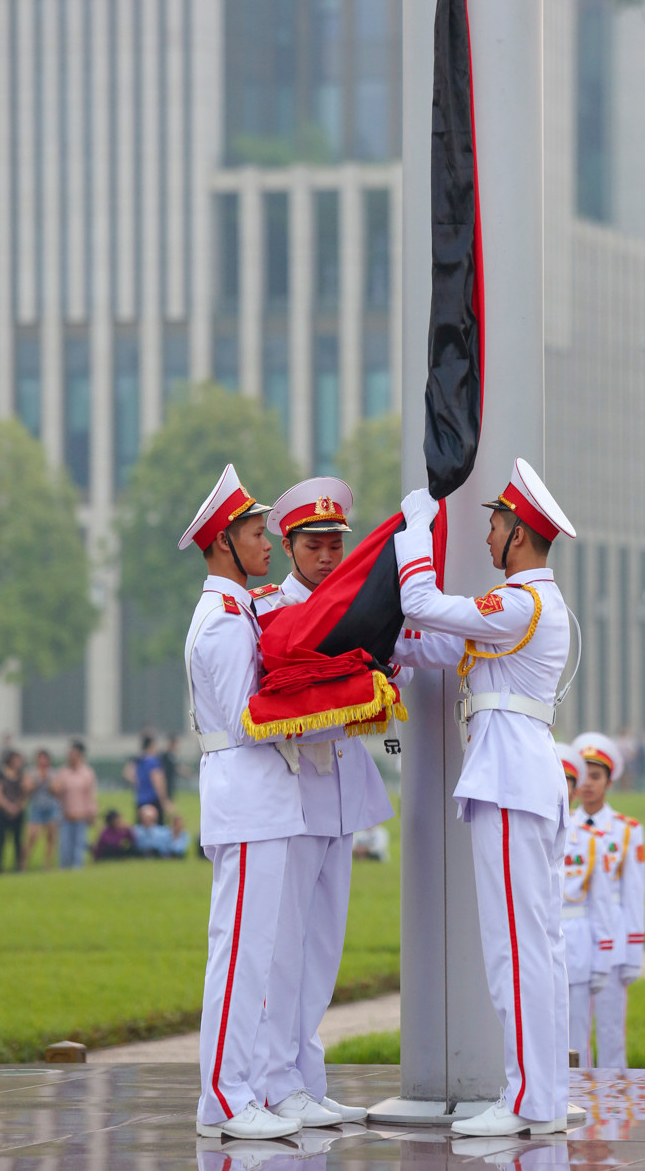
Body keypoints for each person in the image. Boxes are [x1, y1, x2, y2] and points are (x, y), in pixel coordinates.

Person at [391, 459, 577, 1137]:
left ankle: (529, 1098)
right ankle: (544, 1092)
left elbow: (424, 604)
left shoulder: (521, 601)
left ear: (518, 535)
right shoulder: (522, 609)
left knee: (515, 949)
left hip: (508, 781)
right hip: (520, 779)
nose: (490, 534)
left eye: (496, 523)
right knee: (536, 947)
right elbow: (439, 638)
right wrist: (395, 645)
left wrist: (414, 536)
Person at [249, 478, 396, 1127]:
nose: (329, 555)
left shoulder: (355, 605)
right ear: (289, 545)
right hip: (291, 792)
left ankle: (305, 1077)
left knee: (323, 948)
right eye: (314, 543)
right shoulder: (268, 609)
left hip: (339, 793)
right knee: (283, 949)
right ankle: (275, 1080)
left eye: (337, 543)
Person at [179, 463, 304, 1142]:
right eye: (258, 532)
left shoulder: (241, 609)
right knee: (240, 956)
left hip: (261, 797)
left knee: (258, 953)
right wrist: (316, 699)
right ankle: (224, 1100)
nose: (268, 540)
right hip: (247, 795)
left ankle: (241, 1088)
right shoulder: (224, 621)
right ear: (225, 542)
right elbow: (244, 714)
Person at [574, 731, 645, 1069]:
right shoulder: (563, 825)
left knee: (610, 1028)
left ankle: (614, 1110)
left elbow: (634, 894)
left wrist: (633, 952)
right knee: (573, 1031)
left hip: (613, 937)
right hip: (573, 935)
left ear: (609, 781)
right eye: (583, 775)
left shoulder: (627, 830)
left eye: (596, 776)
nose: (588, 783)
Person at [556, 741, 615, 1067]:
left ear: (575, 791)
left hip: (577, 948)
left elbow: (602, 904)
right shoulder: (526, 834)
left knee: (577, 1035)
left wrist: (603, 958)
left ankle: (581, 1099)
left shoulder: (591, 842)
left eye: (567, 783)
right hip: (538, 944)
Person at [52, 741, 99, 870]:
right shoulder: (62, 772)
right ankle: (64, 867)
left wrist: (92, 813)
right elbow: (56, 792)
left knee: (79, 845)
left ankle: (77, 868)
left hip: (81, 814)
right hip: (66, 815)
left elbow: (90, 795)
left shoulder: (87, 772)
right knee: (65, 845)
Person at [25, 749, 62, 868]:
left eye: (45, 759)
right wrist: (38, 779)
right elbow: (27, 788)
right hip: (36, 807)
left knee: (51, 837)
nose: (43, 761)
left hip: (51, 807)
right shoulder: (31, 773)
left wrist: (47, 779)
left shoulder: (53, 773)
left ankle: (47, 863)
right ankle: (24, 862)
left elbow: (56, 790)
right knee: (32, 836)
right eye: (40, 759)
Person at [124, 734, 171, 824]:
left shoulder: (139, 760)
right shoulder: (153, 761)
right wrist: (164, 800)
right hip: (153, 800)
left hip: (140, 800)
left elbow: (128, 774)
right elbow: (158, 782)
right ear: (152, 745)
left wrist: (139, 782)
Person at [0, 750, 27, 871]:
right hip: (4, 811)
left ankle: (18, 866)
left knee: (18, 840)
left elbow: (24, 793)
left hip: (18, 811)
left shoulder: (21, 774)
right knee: (2, 840)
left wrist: (18, 806)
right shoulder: (1, 774)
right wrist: (8, 806)